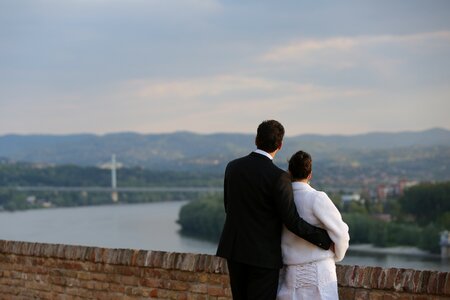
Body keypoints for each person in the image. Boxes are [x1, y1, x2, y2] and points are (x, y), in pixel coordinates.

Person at [216, 120, 332, 300]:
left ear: (256, 139)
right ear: (280, 145)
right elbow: (291, 220)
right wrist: (325, 239)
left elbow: (228, 206)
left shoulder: (233, 167)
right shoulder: (279, 177)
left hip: (235, 250)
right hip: (263, 256)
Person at [277, 150, 350, 300]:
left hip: (290, 274)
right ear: (310, 174)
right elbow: (341, 233)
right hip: (320, 273)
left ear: (289, 172)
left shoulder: (281, 201)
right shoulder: (316, 198)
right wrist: (337, 255)